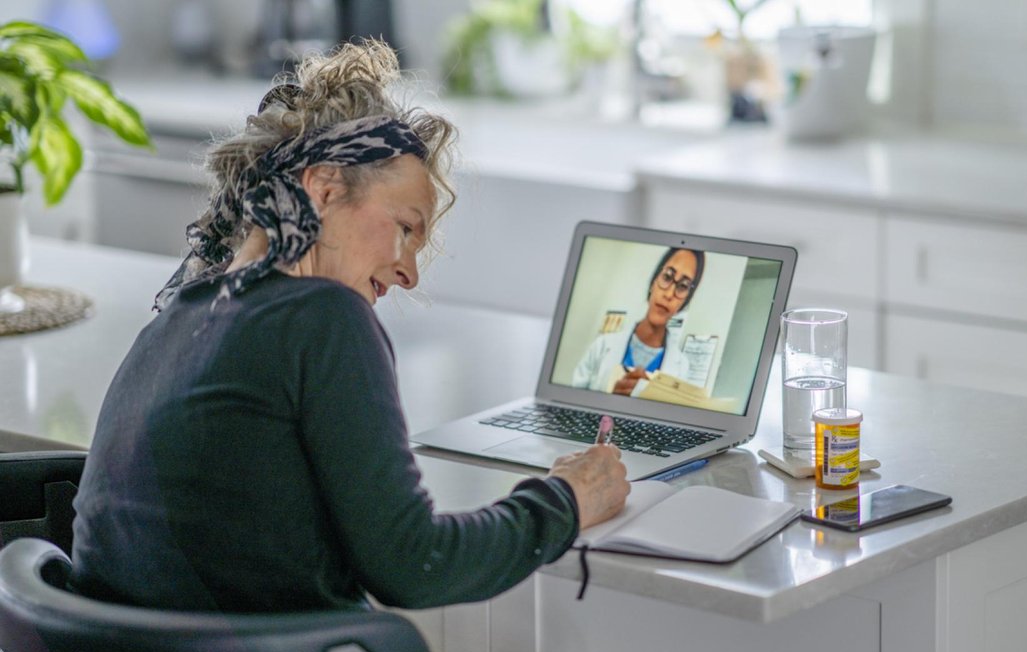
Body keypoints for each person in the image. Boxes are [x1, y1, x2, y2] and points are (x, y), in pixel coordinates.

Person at [68, 41, 629, 615]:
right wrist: (567, 499)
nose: (409, 272)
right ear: (324, 189)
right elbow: (415, 565)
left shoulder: (176, 319)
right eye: (406, 227)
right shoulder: (321, 316)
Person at [572, 247, 705, 396]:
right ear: (653, 282)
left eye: (683, 286)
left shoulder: (682, 368)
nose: (668, 294)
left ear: (685, 301)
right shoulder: (601, 346)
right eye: (667, 277)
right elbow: (572, 405)